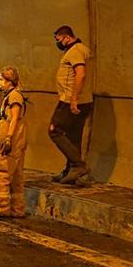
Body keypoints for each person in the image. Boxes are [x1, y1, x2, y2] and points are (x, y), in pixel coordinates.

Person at [50, 26, 94, 184]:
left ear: (66, 37)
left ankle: (78, 166)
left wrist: (74, 98)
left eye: (59, 40)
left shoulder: (75, 51)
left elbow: (80, 74)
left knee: (55, 131)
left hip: (70, 99)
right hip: (84, 100)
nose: (58, 43)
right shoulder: (82, 49)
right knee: (73, 136)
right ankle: (73, 172)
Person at [0, 67, 27, 218]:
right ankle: (17, 209)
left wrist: (8, 138)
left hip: (11, 140)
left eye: (1, 79)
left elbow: (14, 118)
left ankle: (0, 209)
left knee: (1, 173)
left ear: (9, 81)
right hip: (17, 140)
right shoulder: (12, 96)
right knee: (16, 176)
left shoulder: (14, 97)